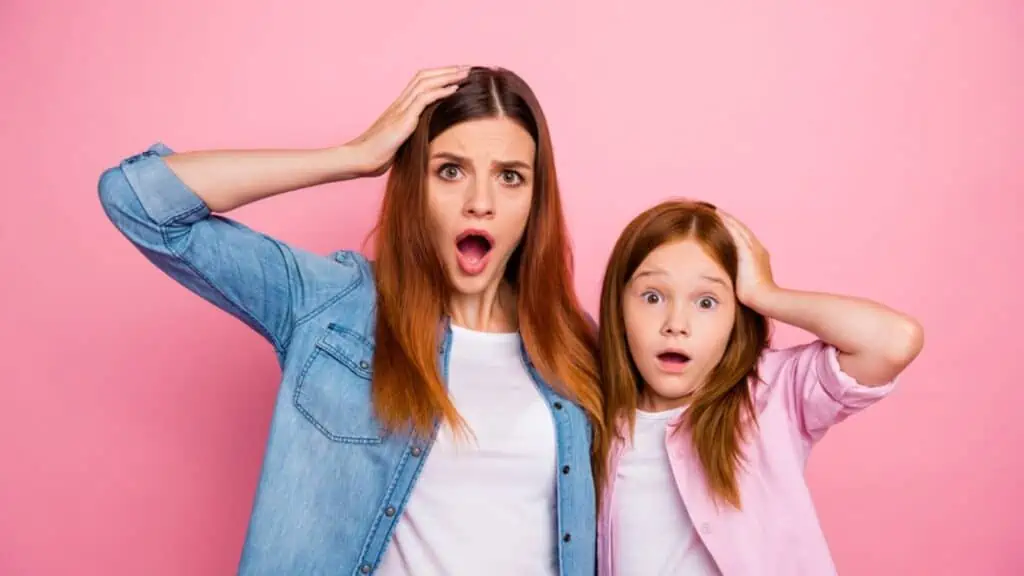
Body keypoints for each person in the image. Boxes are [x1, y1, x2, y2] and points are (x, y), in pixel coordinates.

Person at [98, 66, 603, 576]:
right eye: (450, 170)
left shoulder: (574, 342)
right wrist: (354, 157)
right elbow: (138, 201)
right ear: (414, 185)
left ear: (536, 198)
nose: (480, 203)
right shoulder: (335, 305)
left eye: (510, 176)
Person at [594, 199, 924, 575]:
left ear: (736, 318)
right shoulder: (591, 419)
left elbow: (895, 341)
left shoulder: (770, 397)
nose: (676, 323)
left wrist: (766, 295)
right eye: (652, 297)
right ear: (618, 308)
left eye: (706, 301)